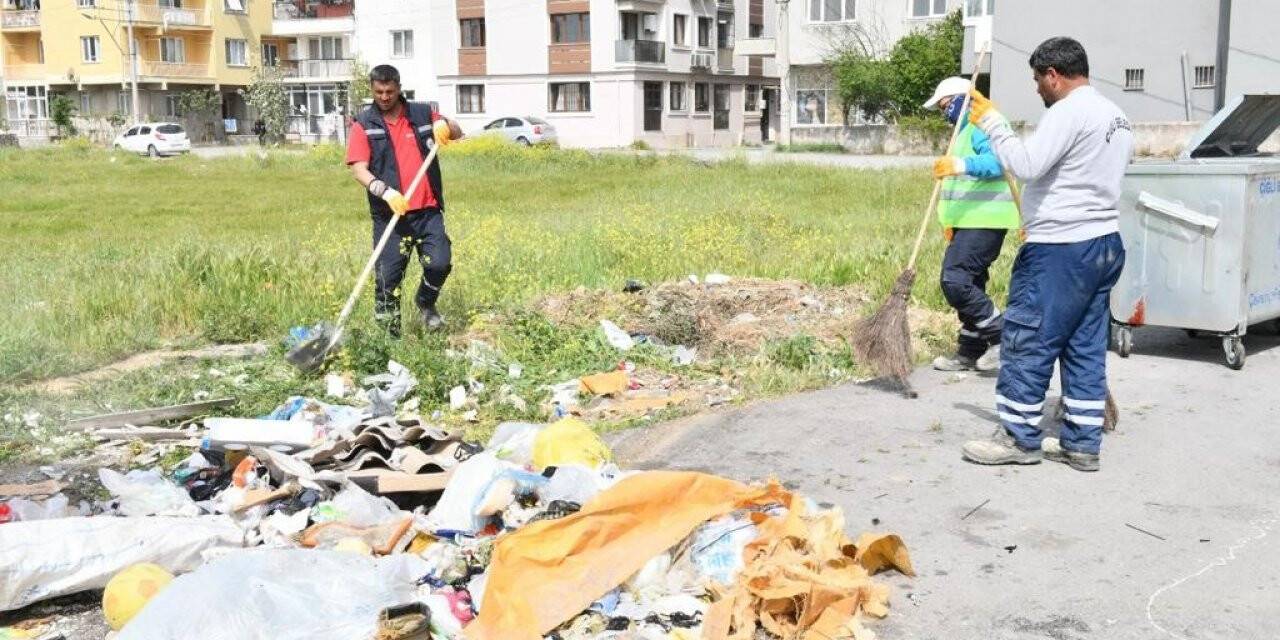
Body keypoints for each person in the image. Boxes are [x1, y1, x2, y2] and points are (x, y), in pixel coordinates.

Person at [960, 37, 1133, 472]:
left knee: (1027, 338)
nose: (1038, 88)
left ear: (1054, 76)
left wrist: (993, 124)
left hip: (1061, 251)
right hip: (1104, 244)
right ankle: (1081, 443)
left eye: (1038, 80)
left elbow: (1027, 164)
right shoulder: (1117, 115)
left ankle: (1019, 438)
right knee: (1084, 347)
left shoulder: (1069, 112)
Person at [345, 64, 463, 336]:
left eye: (389, 91)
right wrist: (384, 191)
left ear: (398, 88)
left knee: (439, 263)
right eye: (378, 92)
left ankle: (425, 302)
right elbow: (358, 169)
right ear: (372, 90)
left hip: (428, 211)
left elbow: (456, 131)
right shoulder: (364, 124)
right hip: (391, 215)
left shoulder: (422, 113)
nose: (384, 97)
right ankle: (389, 341)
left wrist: (446, 126)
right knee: (388, 280)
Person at [923, 76, 1020, 373]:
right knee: (972, 282)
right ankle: (969, 350)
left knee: (954, 280)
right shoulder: (963, 132)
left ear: (963, 101)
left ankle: (1002, 337)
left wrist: (959, 165)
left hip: (987, 219)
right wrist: (950, 221)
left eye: (946, 106)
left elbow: (999, 162)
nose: (944, 113)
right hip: (969, 221)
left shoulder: (982, 124)